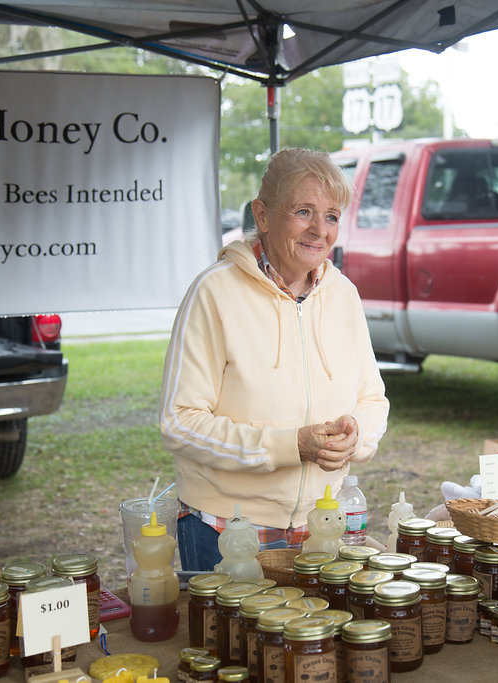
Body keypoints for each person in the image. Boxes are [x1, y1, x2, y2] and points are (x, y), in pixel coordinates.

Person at [159, 148, 390, 571]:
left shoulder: (344, 295)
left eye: (332, 216)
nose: (319, 230)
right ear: (262, 215)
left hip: (322, 523)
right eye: (304, 212)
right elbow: (180, 422)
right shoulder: (214, 292)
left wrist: (357, 435)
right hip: (226, 526)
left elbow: (373, 399)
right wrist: (290, 445)